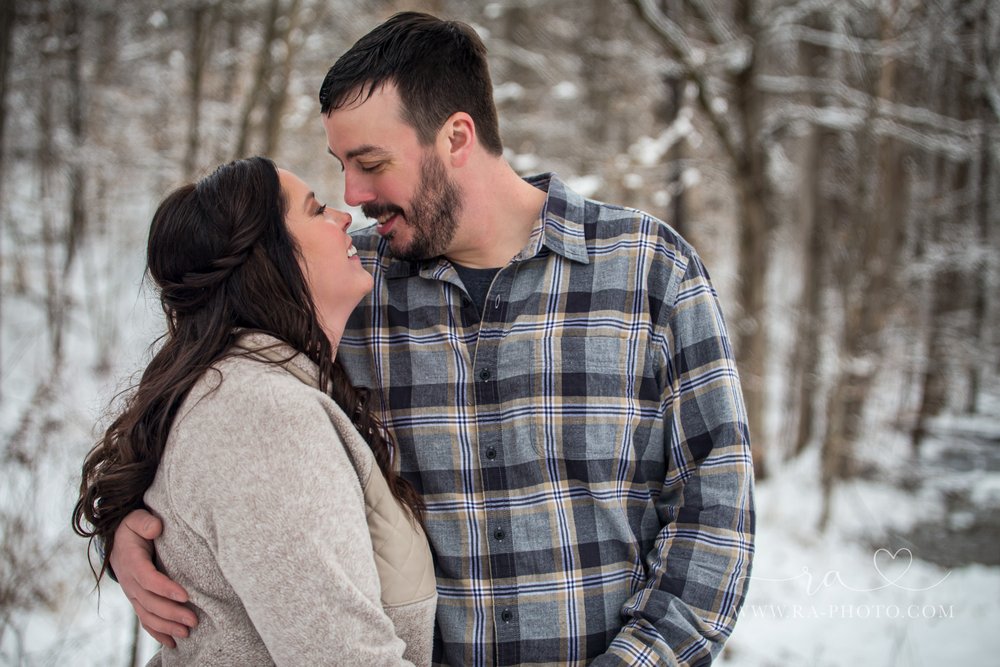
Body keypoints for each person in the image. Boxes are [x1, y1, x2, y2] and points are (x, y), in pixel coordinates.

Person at [109, 12, 755, 666]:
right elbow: (207, 401)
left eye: (370, 164)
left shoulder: (649, 269)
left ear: (455, 137)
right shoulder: (343, 285)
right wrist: (136, 525)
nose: (353, 195)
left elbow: (716, 513)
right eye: (341, 166)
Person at [72, 157, 437, 665]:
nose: (345, 216)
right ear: (268, 256)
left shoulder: (252, 389)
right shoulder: (262, 415)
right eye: (316, 211)